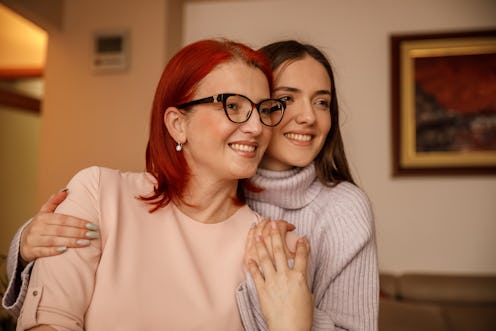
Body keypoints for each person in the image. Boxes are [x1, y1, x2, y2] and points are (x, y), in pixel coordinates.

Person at [4, 40, 378, 330]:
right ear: (177, 123)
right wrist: (25, 245)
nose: (256, 125)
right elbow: (49, 312)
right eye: (234, 105)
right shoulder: (102, 192)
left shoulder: (276, 242)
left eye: (322, 102)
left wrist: (298, 320)